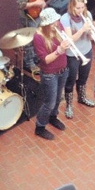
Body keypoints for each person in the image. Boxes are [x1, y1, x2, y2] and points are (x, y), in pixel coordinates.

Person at [32, 8, 70, 141]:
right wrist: (59, 51)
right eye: (53, 22)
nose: (57, 24)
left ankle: (53, 117)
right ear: (46, 24)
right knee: (50, 102)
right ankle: (40, 126)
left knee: (58, 98)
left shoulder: (58, 26)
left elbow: (66, 41)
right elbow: (45, 60)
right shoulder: (38, 37)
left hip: (63, 70)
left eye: (56, 21)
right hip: (50, 74)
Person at [16, 0, 61, 74]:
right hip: (28, 15)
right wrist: (37, 3)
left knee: (39, 36)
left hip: (37, 12)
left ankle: (37, 58)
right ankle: (29, 63)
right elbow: (20, 4)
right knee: (29, 40)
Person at [60, 0, 95, 119]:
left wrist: (91, 33)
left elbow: (90, 38)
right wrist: (82, 29)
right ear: (71, 6)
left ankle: (82, 97)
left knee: (84, 77)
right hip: (72, 54)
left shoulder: (88, 15)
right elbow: (70, 40)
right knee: (70, 79)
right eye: (78, 8)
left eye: (82, 7)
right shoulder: (65, 18)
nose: (80, 10)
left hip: (87, 51)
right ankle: (69, 105)